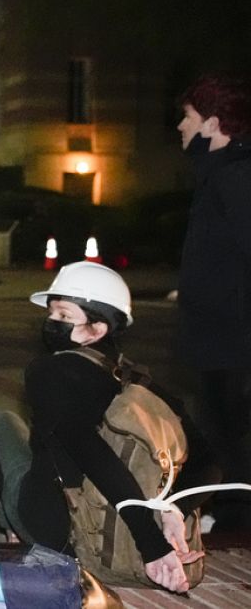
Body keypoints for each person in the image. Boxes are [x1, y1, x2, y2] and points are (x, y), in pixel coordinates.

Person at [0, 261, 220, 594]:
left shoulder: (48, 371)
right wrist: (173, 508)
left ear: (97, 329)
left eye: (64, 316)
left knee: (1, 423)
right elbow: (210, 461)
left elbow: (87, 448)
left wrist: (152, 545)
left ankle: (11, 529)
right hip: (112, 536)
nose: (51, 322)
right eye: (52, 313)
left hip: (56, 530)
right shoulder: (140, 382)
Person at [175, 74, 251, 530]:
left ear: (214, 123)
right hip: (220, 339)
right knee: (221, 434)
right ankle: (229, 515)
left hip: (233, 342)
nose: (180, 126)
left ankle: (237, 525)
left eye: (188, 117)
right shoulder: (219, 176)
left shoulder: (235, 177)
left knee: (230, 436)